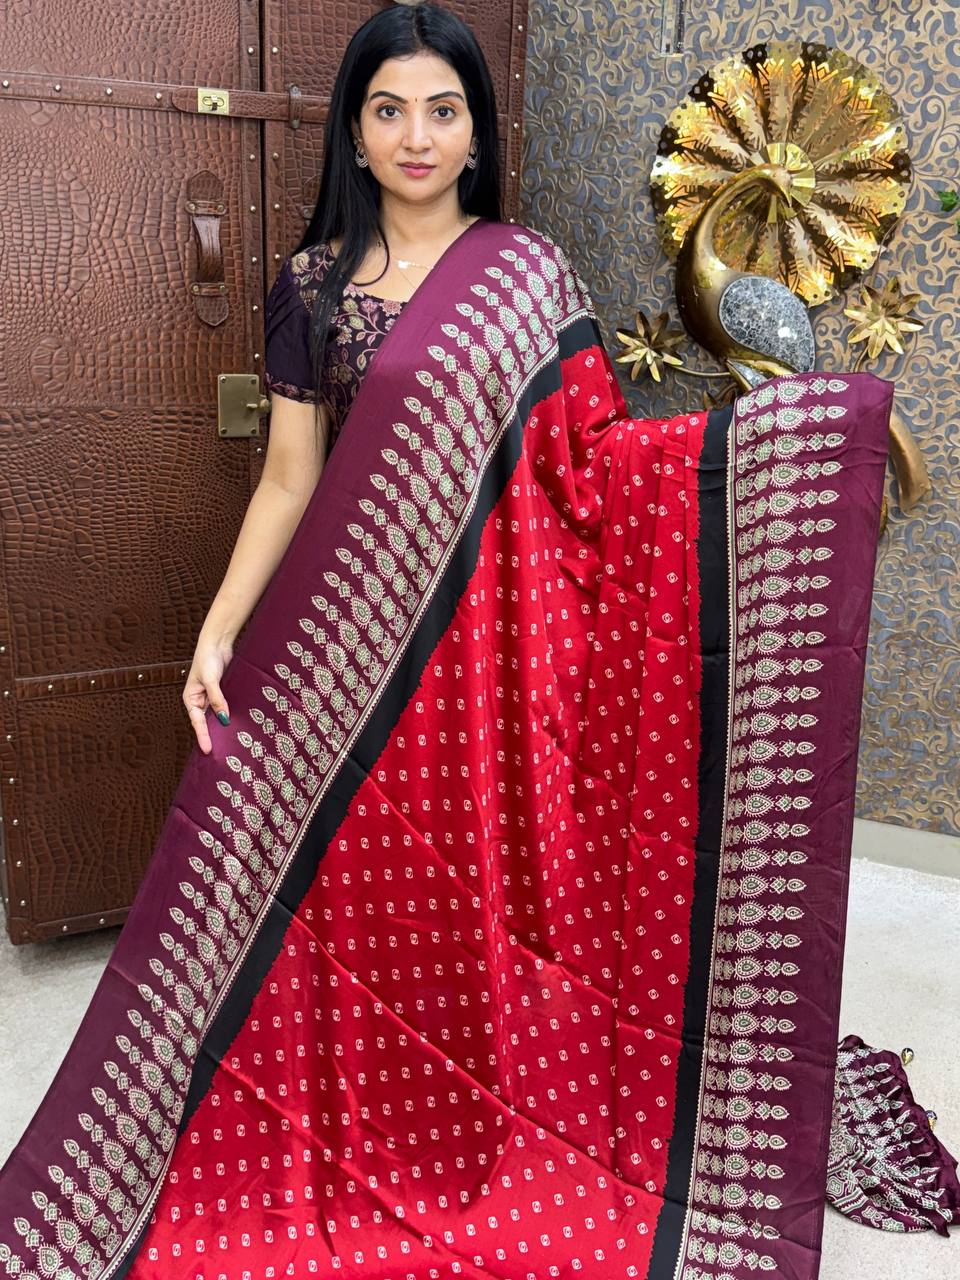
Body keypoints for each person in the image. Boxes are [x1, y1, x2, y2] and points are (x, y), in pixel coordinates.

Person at [1, 6, 954, 1279]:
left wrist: (804, 441)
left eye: (442, 111)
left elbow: (595, 464)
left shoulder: (525, 274)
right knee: (327, 900)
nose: (417, 136)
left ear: (474, 130)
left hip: (499, 658)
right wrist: (217, 633)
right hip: (358, 654)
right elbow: (289, 478)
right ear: (354, 130)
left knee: (482, 902)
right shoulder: (313, 287)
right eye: (389, 109)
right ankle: (366, 1123)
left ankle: (493, 1113)